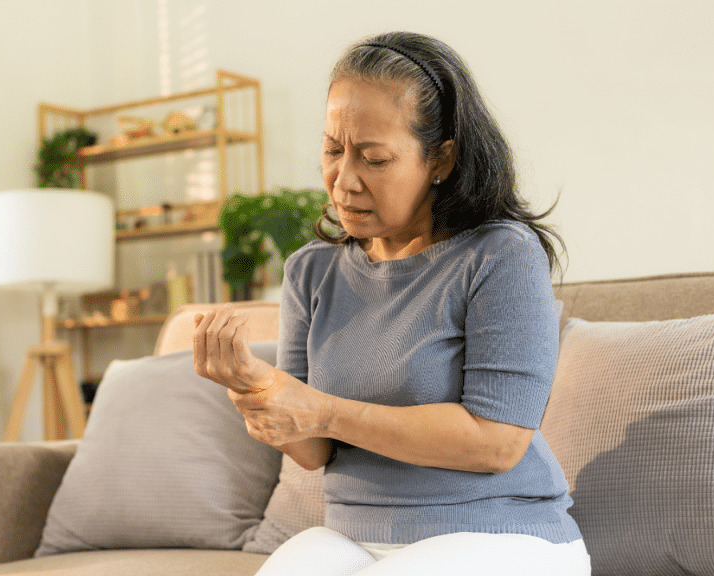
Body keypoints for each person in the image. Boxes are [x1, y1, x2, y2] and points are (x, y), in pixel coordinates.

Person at [192, 31, 590, 576]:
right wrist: (255, 387)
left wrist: (321, 408)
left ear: (441, 159)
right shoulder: (311, 271)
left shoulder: (500, 255)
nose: (343, 181)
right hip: (355, 535)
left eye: (374, 159)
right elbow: (315, 451)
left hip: (501, 535)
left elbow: (497, 444)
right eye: (333, 150)